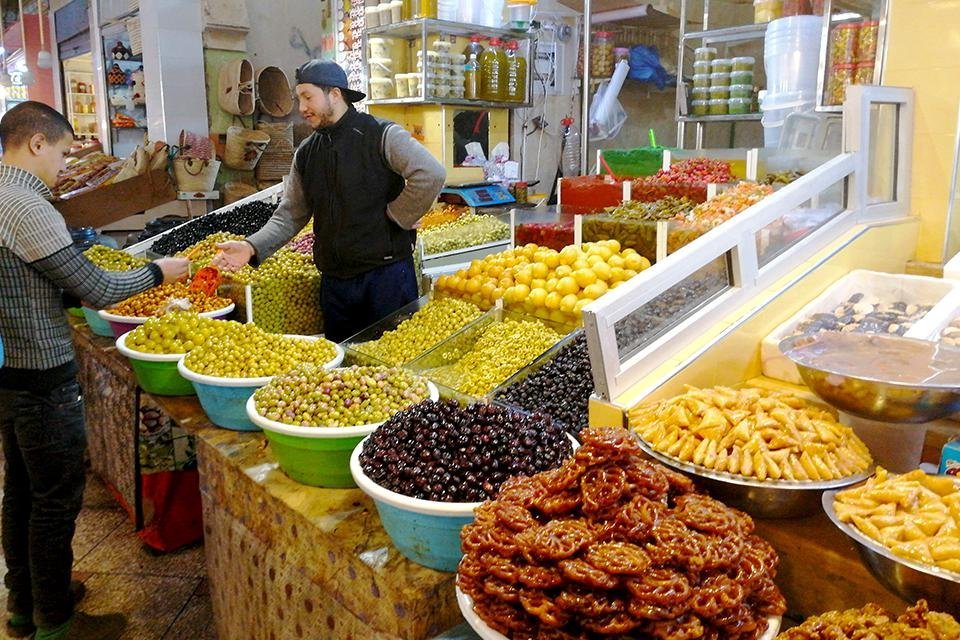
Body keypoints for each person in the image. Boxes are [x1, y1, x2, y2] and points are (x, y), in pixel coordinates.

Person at [0, 101, 189, 640]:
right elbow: (100, 289)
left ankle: (25, 602)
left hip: (8, 371)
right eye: (61, 154)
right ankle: (57, 622)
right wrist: (160, 271)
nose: (62, 167)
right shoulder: (24, 205)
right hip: (41, 372)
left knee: (21, 492)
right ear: (36, 143)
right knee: (55, 500)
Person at [213, 60, 445, 342]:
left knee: (393, 369)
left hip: (386, 279)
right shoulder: (308, 153)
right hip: (335, 286)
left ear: (335, 94)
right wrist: (251, 247)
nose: (302, 108)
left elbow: (430, 174)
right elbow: (290, 214)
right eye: (299, 99)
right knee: (341, 374)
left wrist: (398, 216)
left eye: (308, 97)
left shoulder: (380, 135)